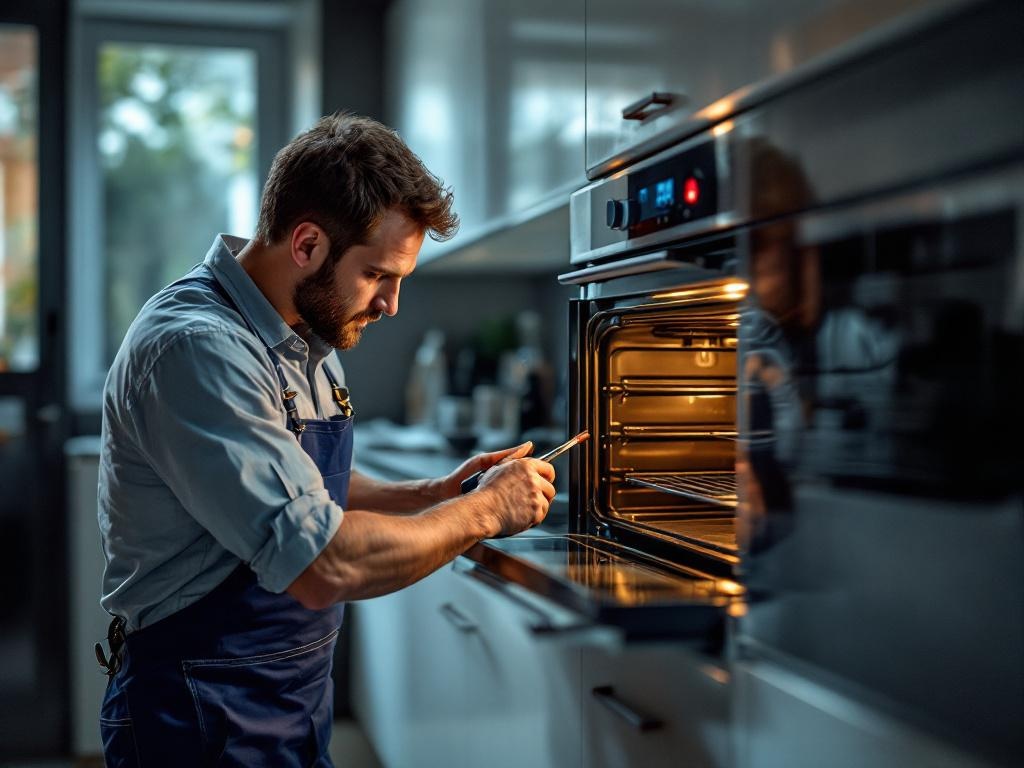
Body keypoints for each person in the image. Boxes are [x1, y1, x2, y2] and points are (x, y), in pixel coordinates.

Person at [96, 112, 556, 767]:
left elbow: (306, 486)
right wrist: (485, 509)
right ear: (308, 244)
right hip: (197, 713)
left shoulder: (307, 335)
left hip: (288, 704)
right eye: (378, 275)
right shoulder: (199, 348)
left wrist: (434, 491)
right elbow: (320, 565)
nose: (391, 304)